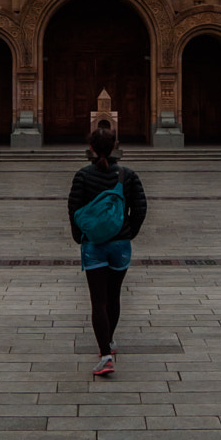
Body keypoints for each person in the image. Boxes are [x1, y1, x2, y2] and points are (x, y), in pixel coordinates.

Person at [67, 118, 147, 378]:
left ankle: (105, 355)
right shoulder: (128, 175)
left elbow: (74, 208)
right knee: (114, 297)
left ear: (91, 147)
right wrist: (128, 233)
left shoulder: (83, 175)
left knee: (98, 301)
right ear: (114, 147)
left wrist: (80, 235)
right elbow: (140, 207)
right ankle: (109, 343)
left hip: (94, 245)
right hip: (120, 245)